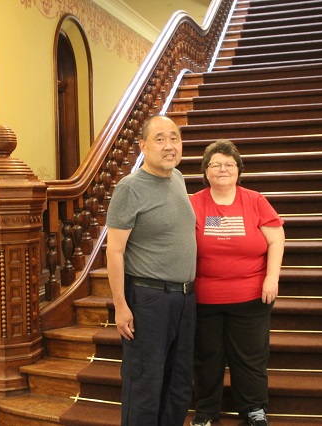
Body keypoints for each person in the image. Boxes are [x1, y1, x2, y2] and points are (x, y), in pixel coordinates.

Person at [106, 114, 197, 425]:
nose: (169, 146)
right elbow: (115, 251)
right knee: (144, 384)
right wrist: (120, 305)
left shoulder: (179, 179)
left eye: (174, 138)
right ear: (143, 145)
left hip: (184, 299)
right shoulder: (129, 187)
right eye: (160, 139)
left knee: (178, 384)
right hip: (148, 299)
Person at [189, 140, 285, 426]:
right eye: (215, 164)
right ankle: (206, 412)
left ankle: (254, 409)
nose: (222, 169)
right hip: (205, 299)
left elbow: (276, 239)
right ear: (205, 171)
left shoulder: (255, 201)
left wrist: (271, 278)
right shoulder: (192, 203)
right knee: (207, 359)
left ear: (238, 170)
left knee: (251, 358)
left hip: (251, 296)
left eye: (229, 164)